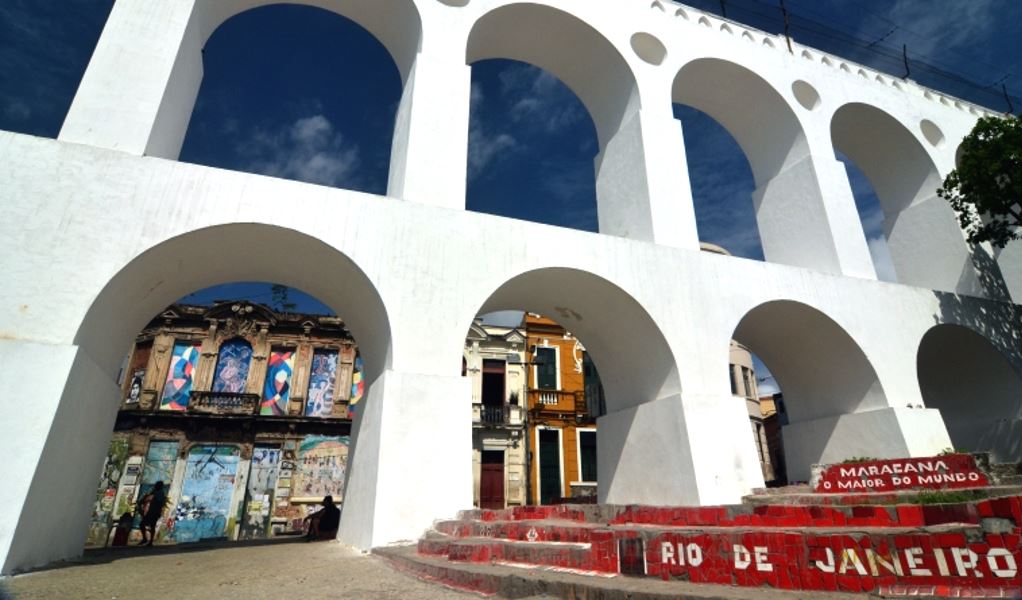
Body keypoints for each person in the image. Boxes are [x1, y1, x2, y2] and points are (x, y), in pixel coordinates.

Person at [138, 481, 167, 546]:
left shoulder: (158, 493)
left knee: (142, 524)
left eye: (156, 485)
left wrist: (144, 500)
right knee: (152, 526)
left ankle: (146, 539)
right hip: (155, 512)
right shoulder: (160, 493)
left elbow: (151, 498)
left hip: (153, 512)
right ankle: (149, 541)